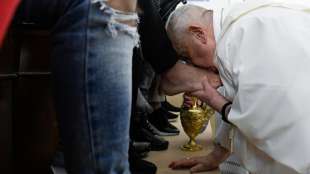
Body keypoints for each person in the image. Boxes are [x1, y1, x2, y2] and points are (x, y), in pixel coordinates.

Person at [165, 1, 310, 173]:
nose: (194, 65)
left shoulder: (239, 37)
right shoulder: (238, 25)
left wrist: (215, 100)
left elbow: (261, 121)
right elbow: (242, 101)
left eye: (187, 56)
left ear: (198, 34)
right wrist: (216, 157)